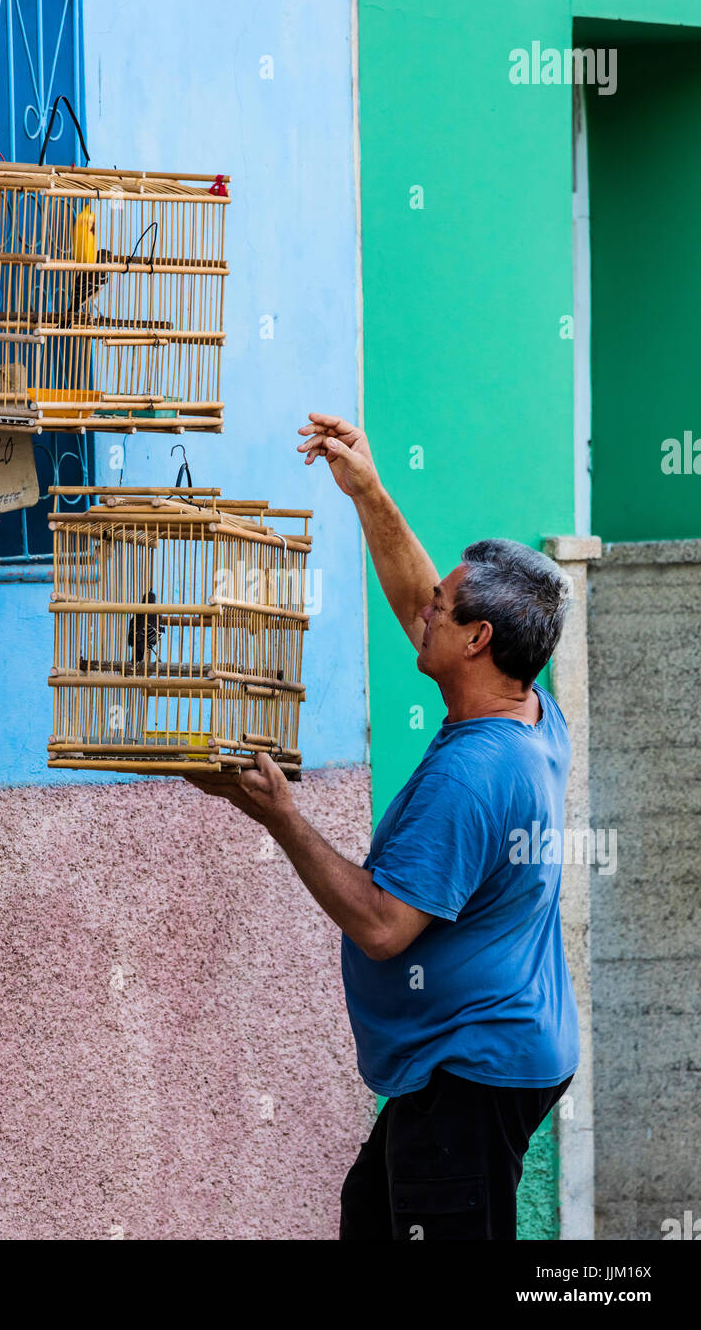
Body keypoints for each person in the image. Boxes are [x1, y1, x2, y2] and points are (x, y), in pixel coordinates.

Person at [185, 412, 579, 1241]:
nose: (424, 610)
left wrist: (281, 817)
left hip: (473, 1066)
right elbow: (412, 593)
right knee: (371, 1214)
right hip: (500, 1043)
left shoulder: (473, 776)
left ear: (476, 639)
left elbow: (382, 926)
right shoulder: (527, 705)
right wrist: (367, 488)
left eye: (443, 607)